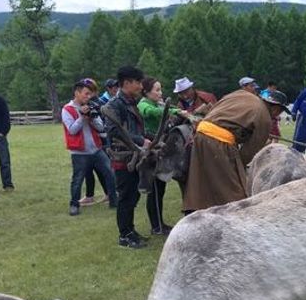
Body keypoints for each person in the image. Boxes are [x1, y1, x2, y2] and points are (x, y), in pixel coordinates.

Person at [183, 87, 271, 212]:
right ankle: (238, 215)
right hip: (218, 142)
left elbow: (218, 109)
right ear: (275, 107)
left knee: (200, 181)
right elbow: (251, 149)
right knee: (234, 190)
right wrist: (239, 163)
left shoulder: (241, 94)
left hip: (201, 133)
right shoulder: (265, 117)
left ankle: (195, 211)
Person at [104, 65, 151, 249]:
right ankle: (124, 235)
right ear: (127, 83)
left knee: (132, 196)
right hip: (123, 158)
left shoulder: (131, 102)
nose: (141, 86)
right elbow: (114, 131)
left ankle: (130, 230)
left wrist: (147, 139)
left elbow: (135, 128)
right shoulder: (115, 105)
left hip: (135, 157)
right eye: (138, 82)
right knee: (126, 197)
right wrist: (141, 140)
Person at [62, 78, 118, 216]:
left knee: (110, 173)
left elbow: (100, 127)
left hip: (96, 149)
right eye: (86, 94)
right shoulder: (67, 109)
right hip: (79, 152)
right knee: (78, 180)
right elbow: (72, 130)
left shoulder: (92, 106)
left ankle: (114, 200)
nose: (88, 97)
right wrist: (82, 117)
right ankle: (74, 205)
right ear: (77, 93)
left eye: (89, 94)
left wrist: (92, 118)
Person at [138, 76, 186, 235]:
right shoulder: (144, 105)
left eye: (160, 89)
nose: (160, 93)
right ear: (146, 92)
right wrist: (170, 110)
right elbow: (152, 112)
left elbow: (167, 109)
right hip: (150, 152)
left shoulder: (157, 103)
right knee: (155, 190)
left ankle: (159, 224)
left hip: (159, 150)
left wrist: (177, 111)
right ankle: (157, 226)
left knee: (160, 190)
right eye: (157, 90)